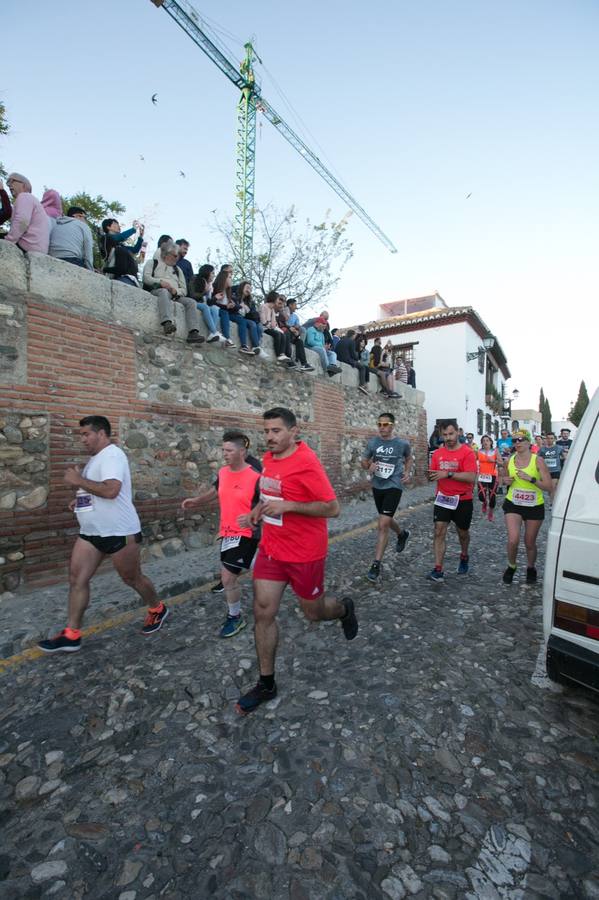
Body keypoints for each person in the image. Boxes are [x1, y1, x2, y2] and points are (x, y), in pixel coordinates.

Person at [235, 407, 358, 714]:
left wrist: (290, 506)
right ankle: (266, 683)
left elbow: (332, 508)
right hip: (272, 549)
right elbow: (269, 496)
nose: (269, 437)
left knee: (314, 613)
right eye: (266, 431)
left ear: (293, 432)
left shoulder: (307, 462)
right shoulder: (266, 460)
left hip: (305, 553)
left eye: (276, 431)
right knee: (263, 611)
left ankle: (343, 608)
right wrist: (257, 512)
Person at [38, 416, 168, 653]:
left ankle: (157, 608)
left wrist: (78, 480)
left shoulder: (112, 455)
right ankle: (71, 634)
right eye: (82, 435)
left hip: (119, 532)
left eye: (86, 434)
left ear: (101, 433)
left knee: (132, 579)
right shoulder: (95, 459)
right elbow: (96, 490)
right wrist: (79, 499)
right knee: (77, 579)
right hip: (91, 533)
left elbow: (111, 490)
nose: (83, 439)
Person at [181, 431, 261, 637]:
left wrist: (253, 515)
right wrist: (197, 501)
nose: (224, 454)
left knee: (227, 578)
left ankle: (235, 617)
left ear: (242, 452)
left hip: (246, 533)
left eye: (229, 450)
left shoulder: (256, 476)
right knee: (259, 568)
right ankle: (280, 572)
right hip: (227, 533)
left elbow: (269, 502)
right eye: (223, 450)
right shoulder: (224, 472)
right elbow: (217, 490)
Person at [362, 412, 412, 582]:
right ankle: (402, 534)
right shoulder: (373, 442)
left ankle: (376, 564)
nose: (381, 427)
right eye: (379, 424)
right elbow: (364, 461)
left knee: (382, 523)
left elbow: (408, 457)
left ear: (392, 425)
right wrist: (369, 465)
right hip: (378, 485)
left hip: (394, 485)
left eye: (385, 424)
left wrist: (406, 472)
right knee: (386, 518)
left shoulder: (402, 443)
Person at [427, 421, 477, 582]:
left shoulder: (467, 453)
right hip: (443, 498)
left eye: (451, 434)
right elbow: (434, 473)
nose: (448, 438)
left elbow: (471, 477)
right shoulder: (437, 454)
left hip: (463, 499)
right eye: (445, 435)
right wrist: (430, 475)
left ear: (458, 433)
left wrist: (448, 474)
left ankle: (464, 555)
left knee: (462, 533)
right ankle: (438, 569)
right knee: (439, 531)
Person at [501, 429, 552, 584]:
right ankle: (511, 566)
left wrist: (531, 479)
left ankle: (531, 567)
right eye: (514, 440)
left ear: (528, 442)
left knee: (529, 542)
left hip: (534, 505)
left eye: (521, 439)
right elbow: (502, 477)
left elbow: (549, 486)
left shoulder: (538, 461)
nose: (517, 443)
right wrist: (505, 481)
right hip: (513, 503)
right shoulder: (509, 459)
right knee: (513, 540)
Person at [142, 241, 204, 343]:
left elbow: (184, 289)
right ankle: (166, 322)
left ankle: (193, 332)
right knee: (164, 292)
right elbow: (146, 278)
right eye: (175, 255)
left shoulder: (178, 269)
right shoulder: (152, 263)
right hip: (158, 290)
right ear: (166, 254)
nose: (177, 258)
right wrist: (160, 282)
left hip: (175, 294)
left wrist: (176, 291)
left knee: (191, 302)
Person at [4, 173, 50, 254]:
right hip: (36, 249)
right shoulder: (31, 199)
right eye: (7, 183)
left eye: (12, 181)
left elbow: (22, 221)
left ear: (23, 185)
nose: (9, 185)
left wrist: (8, 241)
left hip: (27, 247)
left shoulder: (24, 196)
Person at [100, 218, 144, 287]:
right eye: (115, 224)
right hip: (116, 274)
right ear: (108, 227)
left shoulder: (120, 246)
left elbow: (134, 250)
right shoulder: (106, 238)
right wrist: (133, 229)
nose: (118, 226)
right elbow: (119, 237)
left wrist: (140, 237)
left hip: (126, 276)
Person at [278, 298, 314, 371]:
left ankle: (304, 364)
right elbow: (283, 322)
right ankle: (289, 360)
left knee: (300, 341)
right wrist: (290, 327)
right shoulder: (283, 311)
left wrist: (295, 330)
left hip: (292, 333)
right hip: (285, 332)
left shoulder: (295, 316)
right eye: (295, 305)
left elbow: (297, 326)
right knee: (287, 333)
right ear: (290, 305)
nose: (296, 307)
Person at [259, 291, 295, 366]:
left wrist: (274, 326)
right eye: (278, 299)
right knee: (277, 334)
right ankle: (278, 354)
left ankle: (282, 354)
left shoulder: (272, 310)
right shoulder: (263, 306)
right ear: (274, 299)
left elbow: (273, 322)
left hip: (270, 327)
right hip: (264, 328)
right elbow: (263, 321)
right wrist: (270, 326)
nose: (279, 301)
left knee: (282, 334)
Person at [230, 280, 263, 356]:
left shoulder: (249, 301)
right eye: (247, 288)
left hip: (242, 317)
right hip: (233, 314)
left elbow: (255, 315)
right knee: (248, 322)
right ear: (242, 287)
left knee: (256, 325)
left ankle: (256, 347)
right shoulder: (234, 295)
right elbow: (232, 307)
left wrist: (249, 310)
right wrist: (240, 306)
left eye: (250, 289)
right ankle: (247, 346)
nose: (249, 290)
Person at [190, 264, 222, 342]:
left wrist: (215, 298)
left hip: (203, 303)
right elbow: (192, 295)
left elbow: (208, 302)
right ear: (207, 272)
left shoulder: (209, 285)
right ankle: (214, 332)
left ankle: (211, 334)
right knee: (205, 307)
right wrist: (205, 292)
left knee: (215, 308)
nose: (214, 276)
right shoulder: (195, 278)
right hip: (193, 302)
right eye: (212, 273)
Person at [335, 329, 369, 394]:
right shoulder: (352, 342)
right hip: (347, 360)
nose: (355, 337)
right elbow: (353, 355)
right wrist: (357, 359)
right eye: (355, 335)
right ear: (353, 335)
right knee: (362, 367)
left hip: (338, 359)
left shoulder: (340, 340)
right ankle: (362, 385)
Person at [476, 435, 502, 521]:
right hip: (482, 475)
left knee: (492, 497)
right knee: (481, 496)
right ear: (482, 443)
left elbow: (501, 462)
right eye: (483, 441)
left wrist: (494, 461)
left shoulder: (495, 451)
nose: (485, 442)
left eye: (487, 440)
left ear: (491, 442)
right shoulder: (479, 451)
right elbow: (472, 461)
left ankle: (490, 512)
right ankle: (484, 502)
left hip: (493, 476)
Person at [211, 269, 237, 347]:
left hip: (225, 312)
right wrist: (225, 307)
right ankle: (227, 339)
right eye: (229, 277)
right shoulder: (215, 288)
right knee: (224, 312)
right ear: (224, 279)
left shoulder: (228, 292)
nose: (231, 279)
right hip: (215, 310)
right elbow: (211, 302)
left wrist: (232, 306)